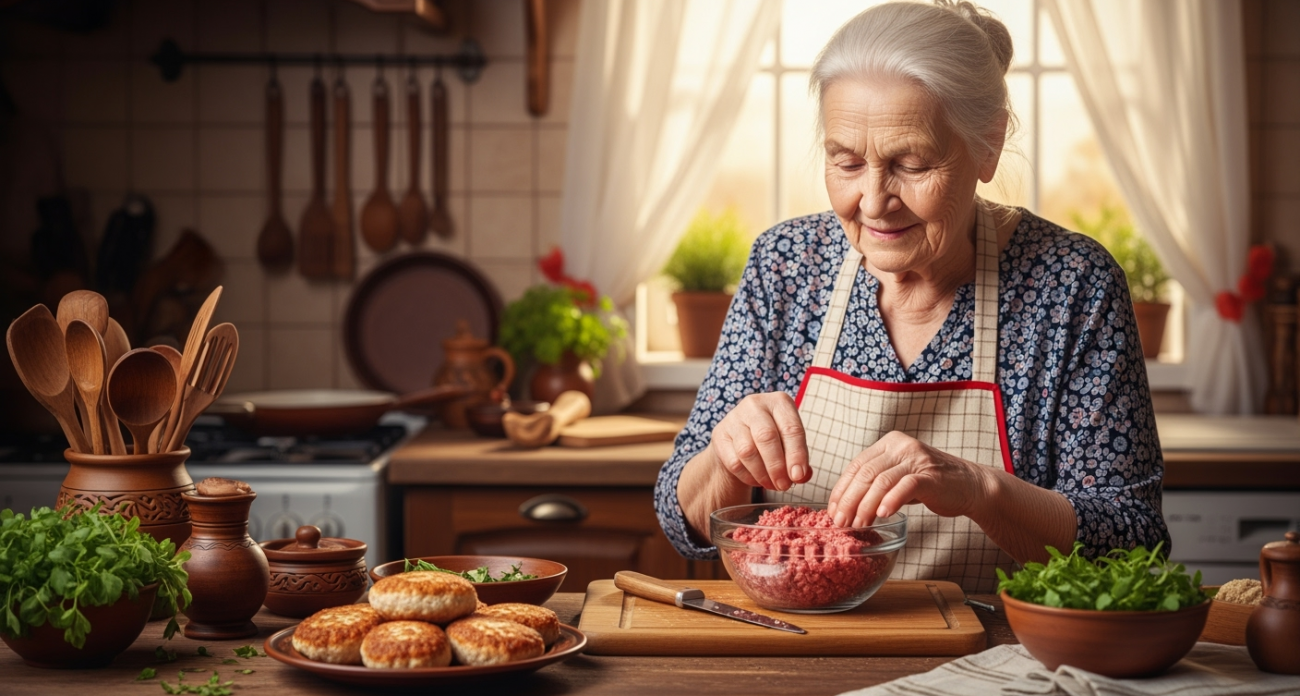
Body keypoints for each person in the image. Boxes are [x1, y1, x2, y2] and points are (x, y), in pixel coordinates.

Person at [653, 0, 1170, 593]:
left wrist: (980, 489)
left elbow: (1133, 544)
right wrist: (724, 459)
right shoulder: (787, 267)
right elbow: (680, 518)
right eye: (846, 162)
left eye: (912, 163)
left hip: (996, 660)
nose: (874, 200)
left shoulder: (1071, 285)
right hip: (796, 648)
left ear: (987, 145)